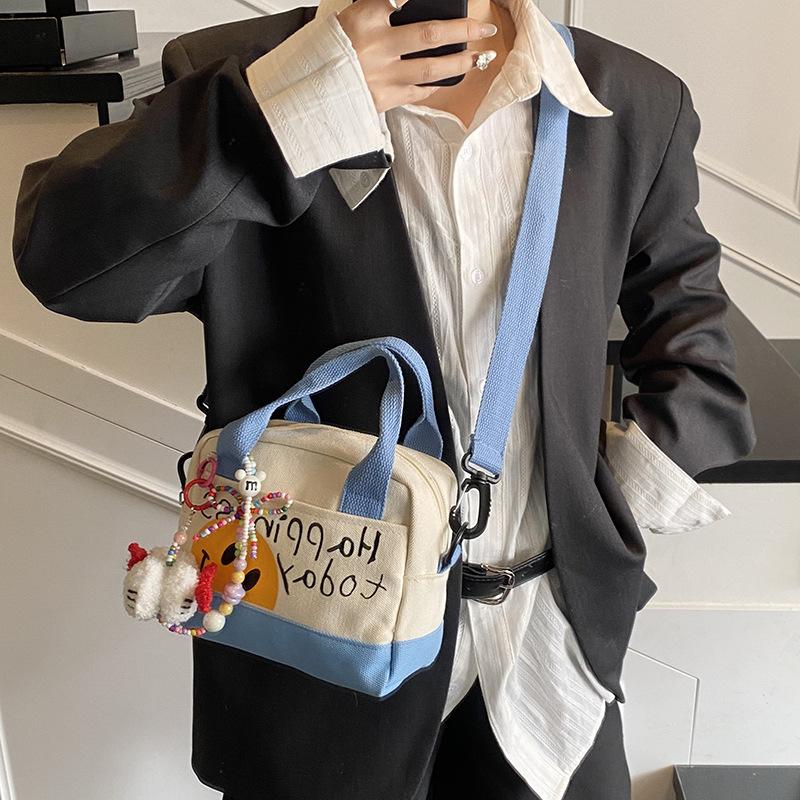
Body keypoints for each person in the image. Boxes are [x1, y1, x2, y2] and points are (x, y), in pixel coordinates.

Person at [12, 0, 757, 798]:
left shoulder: (628, 100)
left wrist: (600, 517)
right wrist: (291, 107)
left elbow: (696, 351)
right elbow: (68, 265)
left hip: (546, 653)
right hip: (320, 654)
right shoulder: (245, 71)